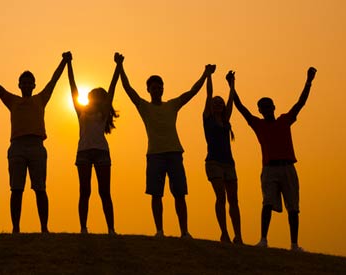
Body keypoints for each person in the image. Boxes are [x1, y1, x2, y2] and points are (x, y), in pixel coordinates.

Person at [117, 55, 216, 238]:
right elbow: (128, 89)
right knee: (156, 194)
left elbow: (192, 92)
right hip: (155, 154)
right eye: (153, 87)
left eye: (159, 87)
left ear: (163, 88)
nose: (157, 89)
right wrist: (120, 66)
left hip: (174, 153)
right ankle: (160, 231)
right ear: (148, 90)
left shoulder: (172, 105)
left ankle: (184, 231)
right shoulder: (144, 107)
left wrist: (205, 74)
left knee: (179, 194)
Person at [0, 52, 69, 233]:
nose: (27, 85)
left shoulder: (40, 99)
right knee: (16, 189)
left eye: (30, 82)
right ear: (19, 85)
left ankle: (44, 227)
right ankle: (15, 228)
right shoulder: (13, 100)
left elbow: (54, 80)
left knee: (40, 189)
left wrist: (64, 61)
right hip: (17, 147)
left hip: (37, 146)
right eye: (24, 82)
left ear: (34, 85)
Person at [231, 67, 317, 251]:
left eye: (269, 106)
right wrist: (232, 86)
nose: (267, 110)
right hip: (270, 169)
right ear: (260, 110)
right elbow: (241, 109)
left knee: (293, 207)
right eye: (263, 108)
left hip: (287, 168)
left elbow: (300, 103)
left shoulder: (285, 120)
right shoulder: (258, 124)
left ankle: (294, 244)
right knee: (267, 203)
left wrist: (308, 82)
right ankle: (263, 240)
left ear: (274, 107)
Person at [66, 52, 121, 235]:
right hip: (83, 152)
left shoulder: (103, 112)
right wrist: (69, 64)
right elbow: (73, 88)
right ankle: (83, 228)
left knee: (105, 192)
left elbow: (113, 88)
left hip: (101, 152)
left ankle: (111, 229)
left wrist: (118, 65)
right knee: (84, 192)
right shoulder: (81, 111)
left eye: (95, 96)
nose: (92, 99)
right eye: (91, 96)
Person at [202, 70, 243, 244]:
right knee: (221, 197)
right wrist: (209, 75)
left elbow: (231, 100)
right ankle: (224, 233)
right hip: (213, 162)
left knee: (234, 200)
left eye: (220, 102)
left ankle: (238, 236)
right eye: (215, 102)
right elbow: (209, 93)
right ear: (211, 106)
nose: (218, 104)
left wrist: (231, 83)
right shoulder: (208, 118)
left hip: (229, 163)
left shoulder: (226, 120)